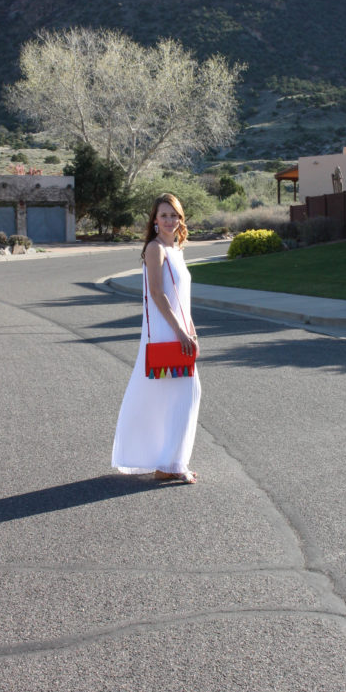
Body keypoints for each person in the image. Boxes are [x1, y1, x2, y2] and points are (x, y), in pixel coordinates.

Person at [112, 193, 201, 484]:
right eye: (164, 215)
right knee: (186, 393)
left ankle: (170, 463)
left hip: (179, 329)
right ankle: (173, 463)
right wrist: (179, 330)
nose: (169, 220)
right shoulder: (155, 249)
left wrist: (191, 327)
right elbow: (157, 293)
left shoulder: (176, 249)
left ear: (180, 218)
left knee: (179, 395)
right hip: (166, 331)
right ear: (154, 219)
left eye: (174, 215)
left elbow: (180, 297)